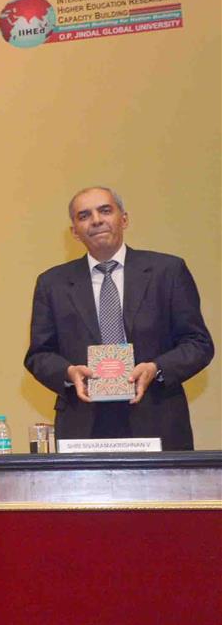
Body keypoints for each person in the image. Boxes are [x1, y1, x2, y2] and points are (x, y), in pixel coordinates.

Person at [24, 187, 213, 450]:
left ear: (124, 219)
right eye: (84, 215)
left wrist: (155, 368)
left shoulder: (167, 271)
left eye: (105, 210)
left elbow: (198, 344)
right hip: (83, 424)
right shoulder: (52, 283)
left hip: (157, 417)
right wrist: (68, 372)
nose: (96, 220)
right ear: (74, 232)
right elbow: (39, 355)